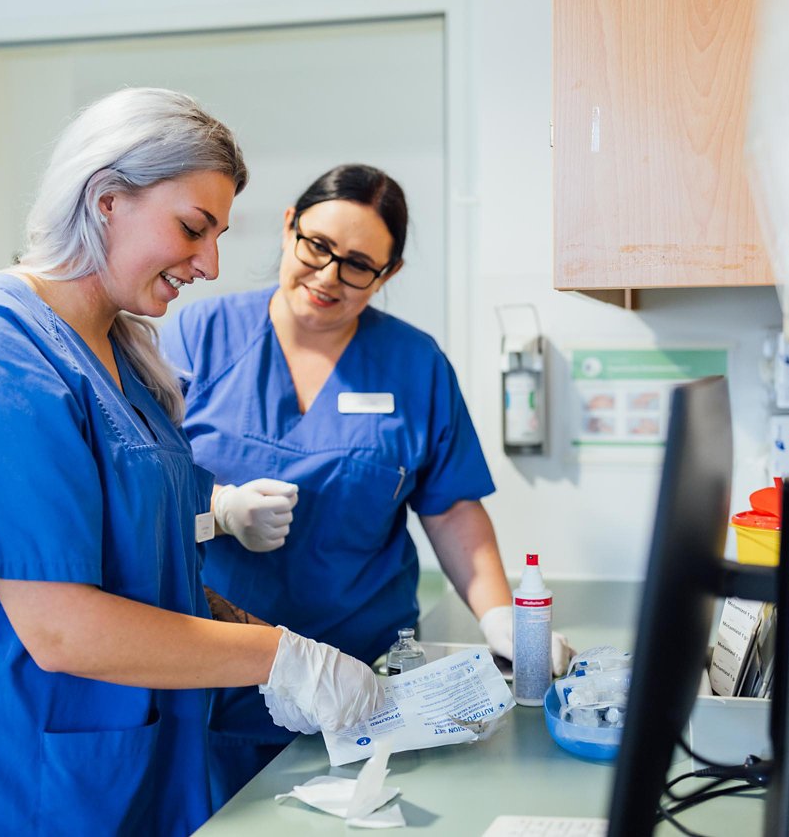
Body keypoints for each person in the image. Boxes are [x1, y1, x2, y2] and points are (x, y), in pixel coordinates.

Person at [0, 89, 385, 835]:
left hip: (136, 767)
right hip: (17, 781)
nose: (210, 264)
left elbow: (146, 569)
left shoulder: (125, 358)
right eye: (193, 228)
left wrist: (268, 646)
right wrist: (277, 656)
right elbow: (62, 628)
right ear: (106, 199)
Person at [161, 163, 574, 806]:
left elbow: (452, 509)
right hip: (220, 678)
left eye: (358, 265)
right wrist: (215, 507)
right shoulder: (198, 338)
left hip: (364, 692)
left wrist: (497, 617)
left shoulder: (415, 365)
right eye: (317, 246)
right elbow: (139, 486)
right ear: (289, 227)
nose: (328, 276)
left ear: (389, 275)